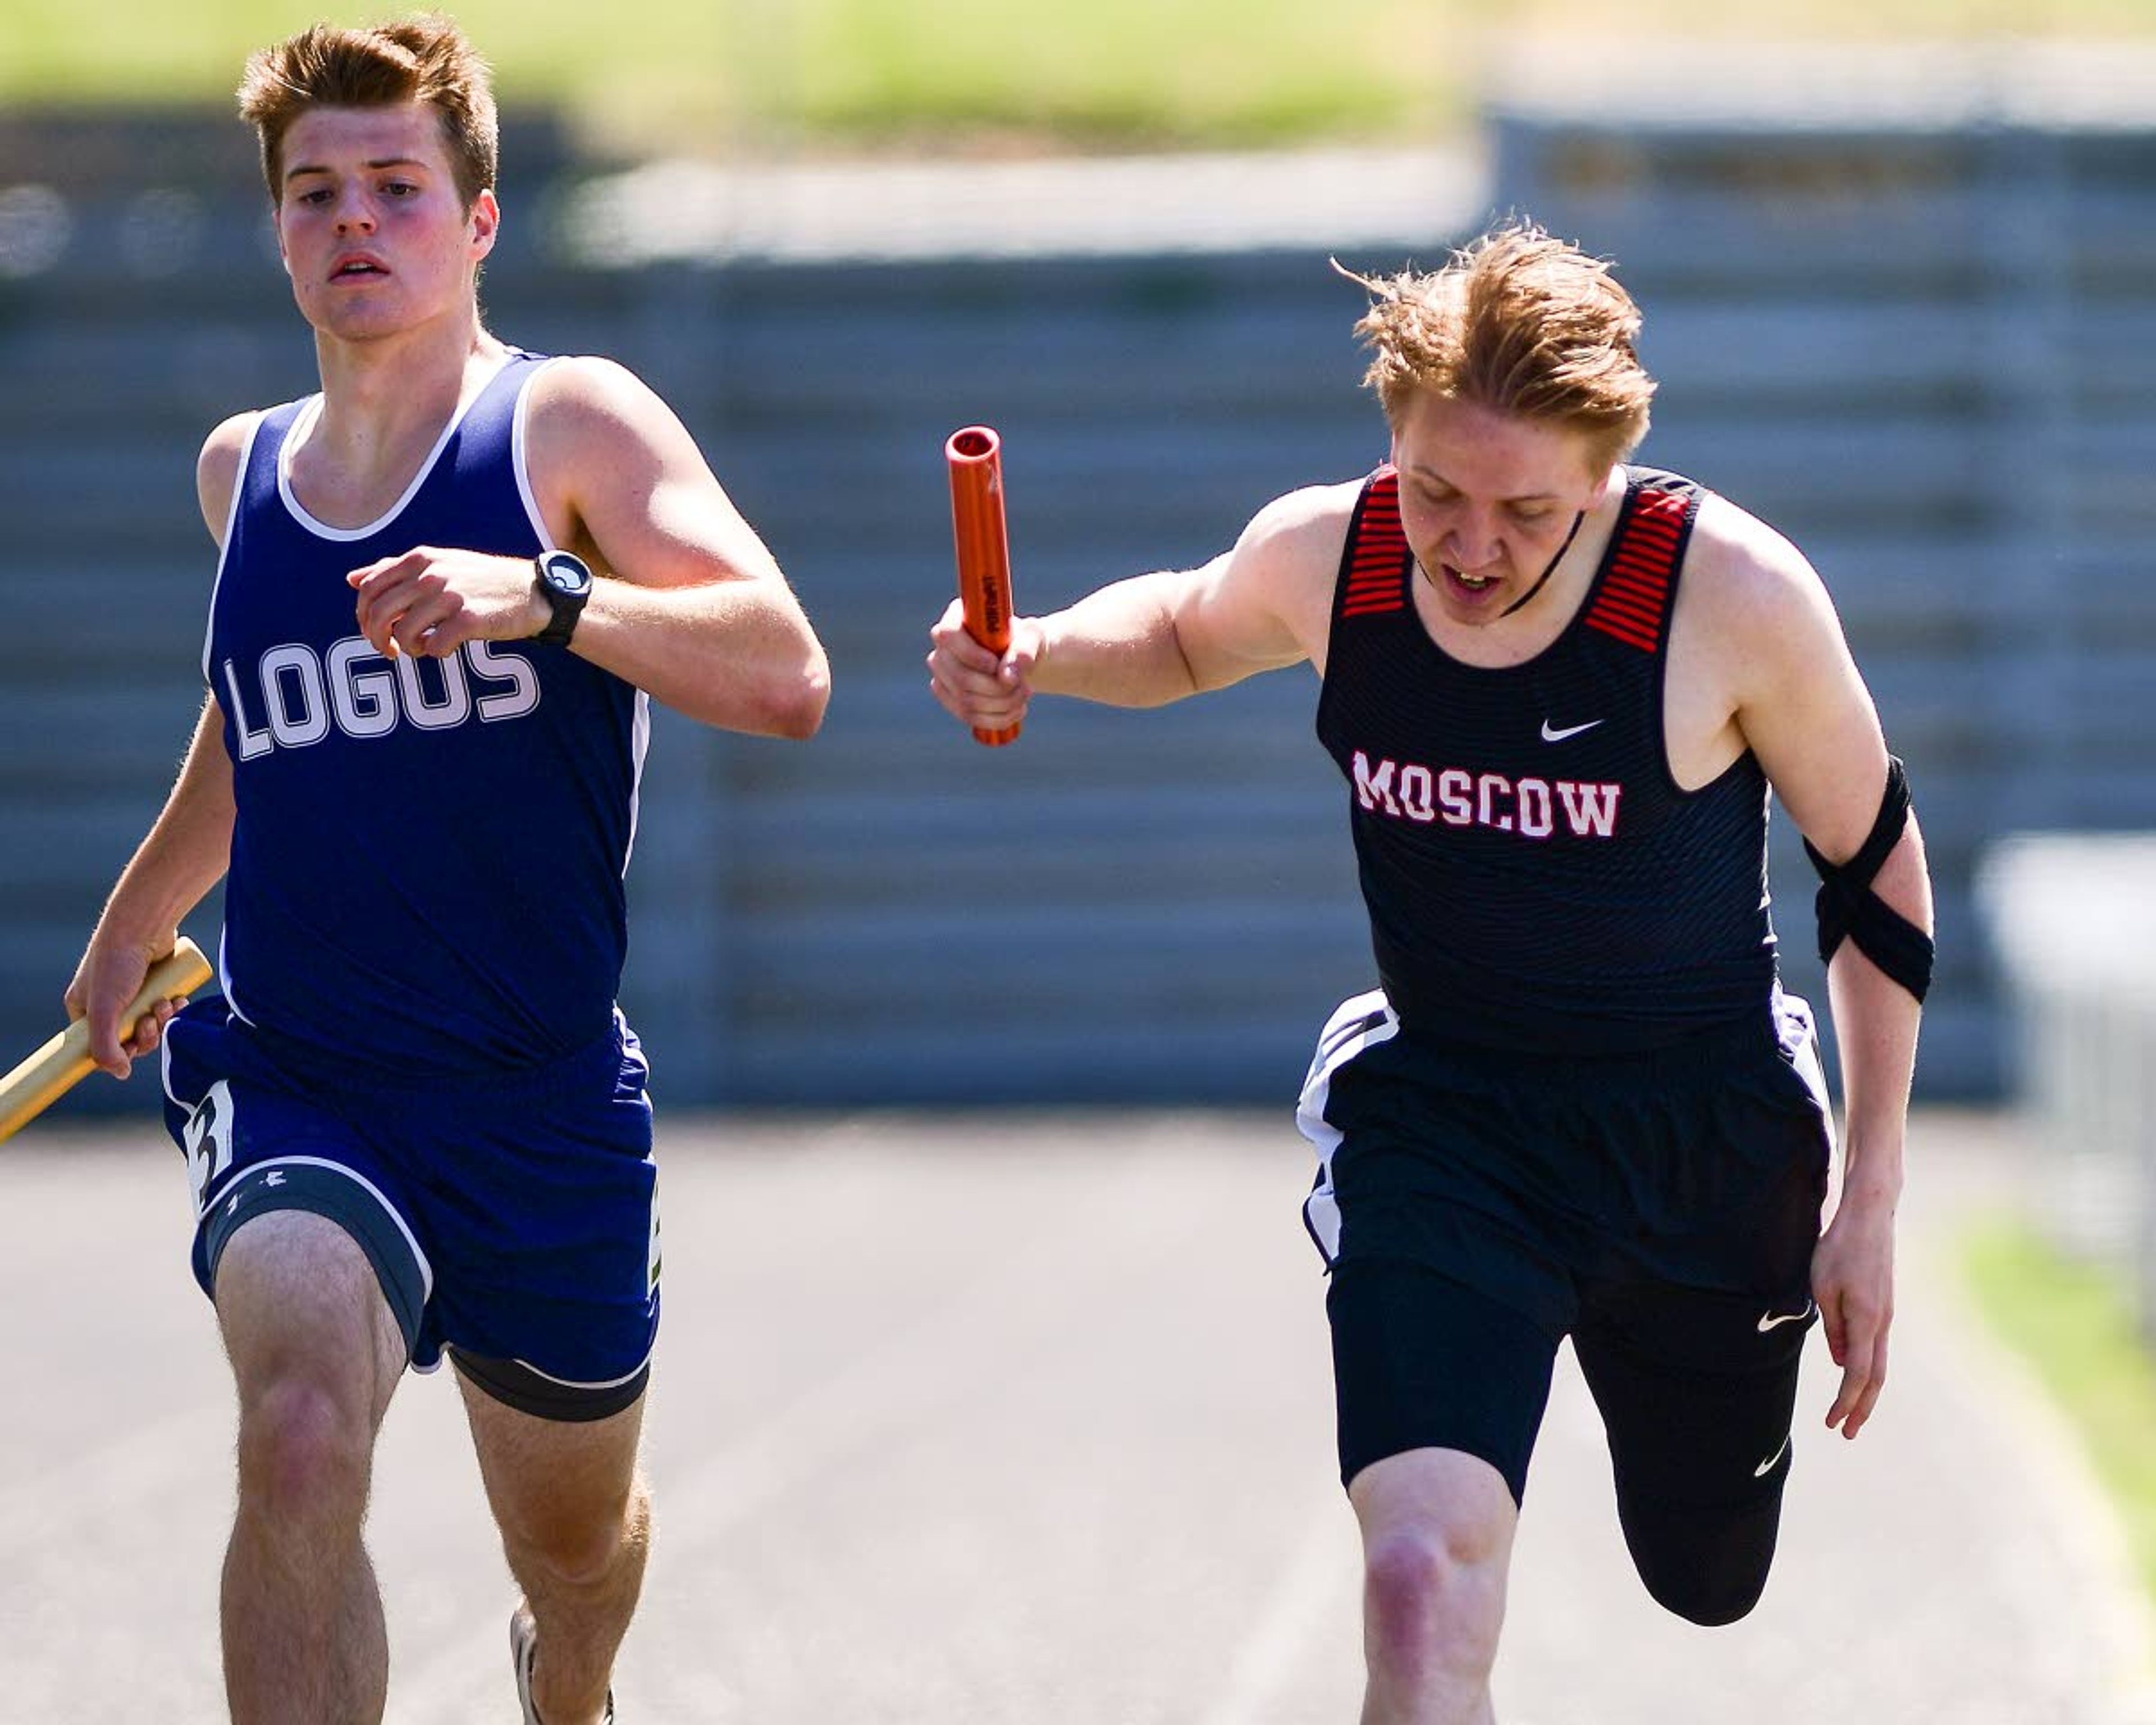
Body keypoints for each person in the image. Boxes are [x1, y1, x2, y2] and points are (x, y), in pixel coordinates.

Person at [927, 220, 1931, 1723]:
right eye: (1436, 488)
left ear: (1608, 469)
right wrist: (1043, 647)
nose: (1467, 546)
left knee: (1705, 1576)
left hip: (1703, 1139)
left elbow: (1881, 876)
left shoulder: (1732, 598)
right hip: (1450, 1125)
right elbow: (1192, 630)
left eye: (1524, 510)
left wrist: (1869, 1199)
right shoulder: (1339, 556)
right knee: (1416, 1575)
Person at [65, 16, 829, 1724]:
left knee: (570, 1554)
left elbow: (786, 673)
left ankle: (569, 1684)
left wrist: (542, 593)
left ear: (477, 223)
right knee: (299, 1432)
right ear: (276, 228)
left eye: (397, 186)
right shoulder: (240, 473)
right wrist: (142, 910)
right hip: (306, 1070)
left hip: (536, 1099)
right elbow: (264, 717)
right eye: (316, 190)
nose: (354, 219)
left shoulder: (567, 426)